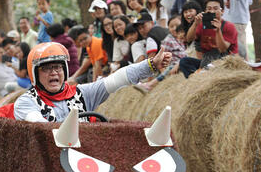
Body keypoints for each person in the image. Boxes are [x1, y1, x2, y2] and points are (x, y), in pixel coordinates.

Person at [13, 42, 171, 122]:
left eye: (58, 67)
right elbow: (39, 126)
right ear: (35, 74)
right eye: (47, 68)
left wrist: (150, 65)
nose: (54, 72)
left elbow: (117, 79)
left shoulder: (81, 93)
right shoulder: (26, 102)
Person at [180, 0, 238, 78]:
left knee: (213, 56)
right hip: (207, 61)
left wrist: (218, 31)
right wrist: (195, 24)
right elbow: (189, 39)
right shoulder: (201, 25)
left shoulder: (229, 26)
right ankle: (196, 79)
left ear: (222, 11)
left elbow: (222, 49)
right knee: (184, 61)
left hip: (226, 61)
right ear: (205, 11)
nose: (212, 11)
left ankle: (199, 74)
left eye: (215, 8)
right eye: (209, 9)